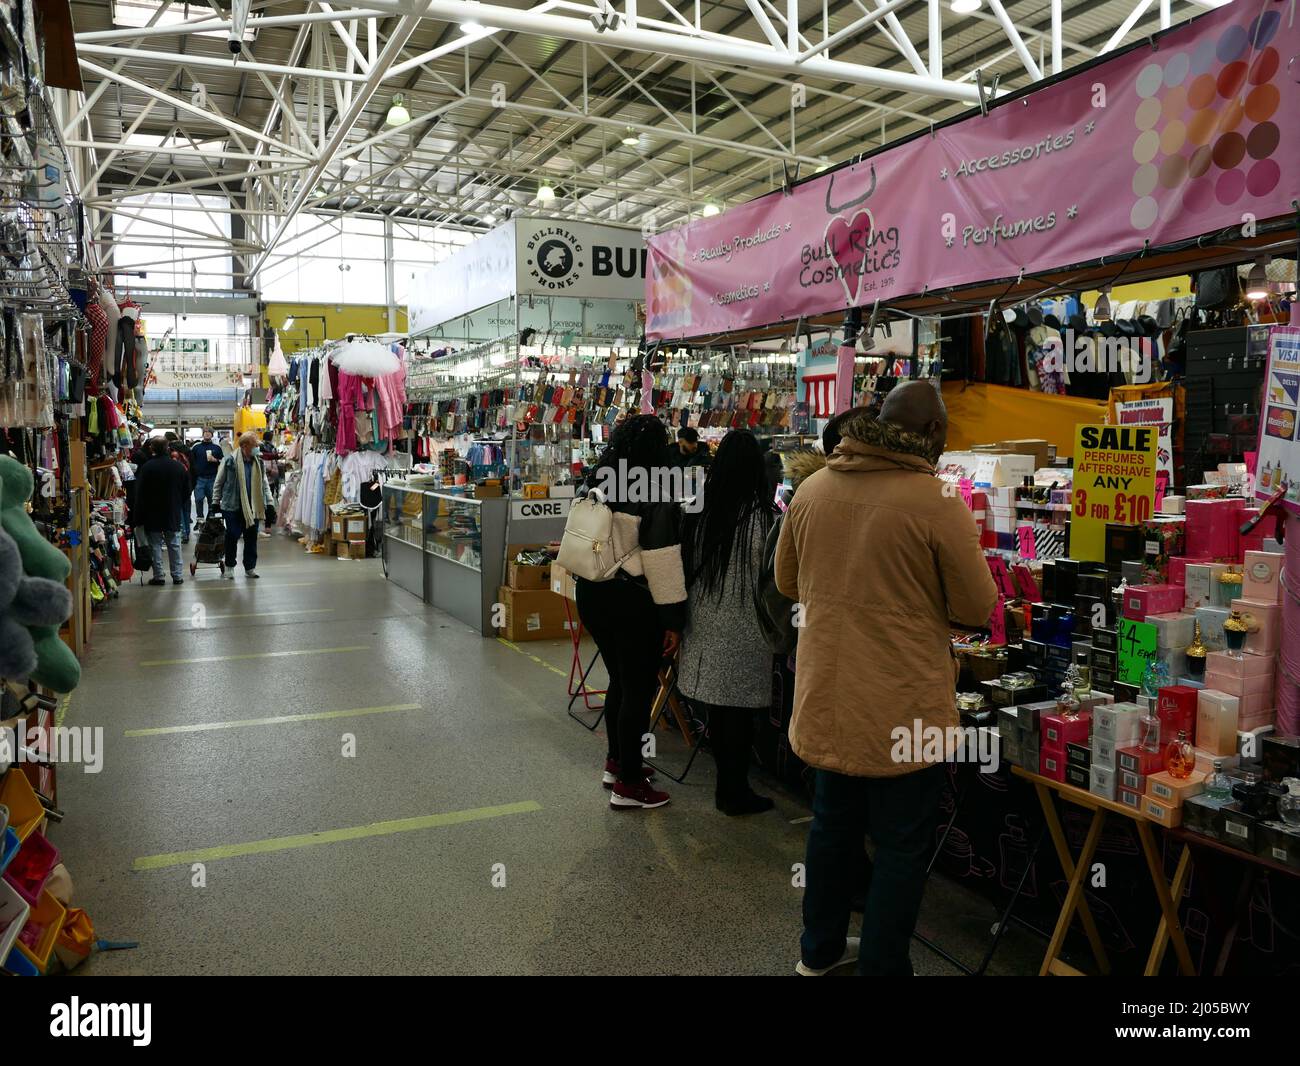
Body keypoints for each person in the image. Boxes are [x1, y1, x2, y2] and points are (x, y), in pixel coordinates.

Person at [775, 381, 997, 976]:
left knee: (832, 830)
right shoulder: (935, 503)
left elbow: (787, 584)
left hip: (826, 695)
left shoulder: (813, 488)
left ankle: (816, 952)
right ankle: (882, 965)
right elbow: (977, 608)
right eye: (944, 431)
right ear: (928, 434)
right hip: (906, 705)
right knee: (902, 845)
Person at [575, 414, 686, 811]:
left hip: (592, 592)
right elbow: (662, 559)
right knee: (638, 688)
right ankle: (629, 784)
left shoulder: (596, 478)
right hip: (631, 600)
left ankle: (617, 763)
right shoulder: (655, 490)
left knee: (619, 681)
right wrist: (673, 618)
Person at [676, 430, 776, 816]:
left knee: (721, 712)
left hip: (705, 621)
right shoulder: (764, 517)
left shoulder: (701, 510)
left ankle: (728, 786)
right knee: (739, 715)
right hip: (747, 626)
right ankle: (732, 792)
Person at [212, 431, 273, 579]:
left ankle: (250, 567)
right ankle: (229, 566)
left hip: (253, 506)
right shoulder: (229, 460)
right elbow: (219, 482)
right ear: (245, 446)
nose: (257, 448)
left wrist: (270, 503)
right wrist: (215, 501)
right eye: (254, 445)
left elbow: (264, 483)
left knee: (251, 537)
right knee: (232, 535)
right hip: (232, 506)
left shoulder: (258, 461)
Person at [135, 437, 190, 586]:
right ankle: (177, 576)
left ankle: (159, 576)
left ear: (152, 448)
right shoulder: (178, 467)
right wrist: (178, 503)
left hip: (152, 513)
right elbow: (187, 490)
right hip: (172, 511)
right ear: (167, 448)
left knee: (155, 544)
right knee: (174, 543)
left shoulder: (147, 467)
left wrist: (138, 514)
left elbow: (140, 493)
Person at [190, 427, 223, 520]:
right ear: (202, 434)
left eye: (209, 432)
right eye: (205, 432)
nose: (207, 434)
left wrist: (215, 460)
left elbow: (223, 461)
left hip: (213, 478)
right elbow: (191, 461)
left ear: (212, 435)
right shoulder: (196, 447)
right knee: (198, 499)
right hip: (199, 478)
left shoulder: (217, 448)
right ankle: (199, 518)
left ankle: (210, 520)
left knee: (212, 500)